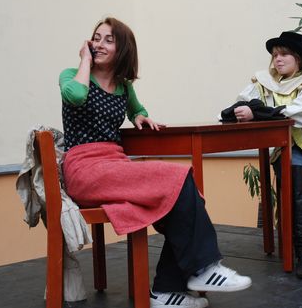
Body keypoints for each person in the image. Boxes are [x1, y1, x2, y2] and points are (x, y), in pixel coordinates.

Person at [59, 17, 251, 308]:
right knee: (178, 177)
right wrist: (85, 59)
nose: (99, 44)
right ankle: (204, 268)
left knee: (185, 196)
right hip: (84, 168)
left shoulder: (124, 87)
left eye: (108, 40)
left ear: (123, 49)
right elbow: (76, 96)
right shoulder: (71, 75)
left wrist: (140, 116)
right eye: (96, 38)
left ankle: (165, 291)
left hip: (114, 163)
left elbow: (138, 109)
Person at [233, 31, 302, 279]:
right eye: (275, 55)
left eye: (284, 54)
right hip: (289, 149)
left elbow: (299, 114)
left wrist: (258, 112)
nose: (278, 59)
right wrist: (243, 110)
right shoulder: (263, 82)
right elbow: (242, 103)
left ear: (298, 58)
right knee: (298, 189)